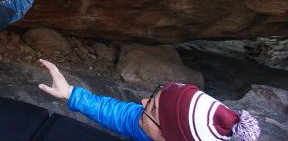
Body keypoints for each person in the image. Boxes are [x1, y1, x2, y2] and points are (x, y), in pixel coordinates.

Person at [37, 59, 261, 141]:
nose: (143, 102)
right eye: (154, 98)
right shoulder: (158, 130)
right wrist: (71, 93)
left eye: (152, 109)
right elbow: (123, 115)